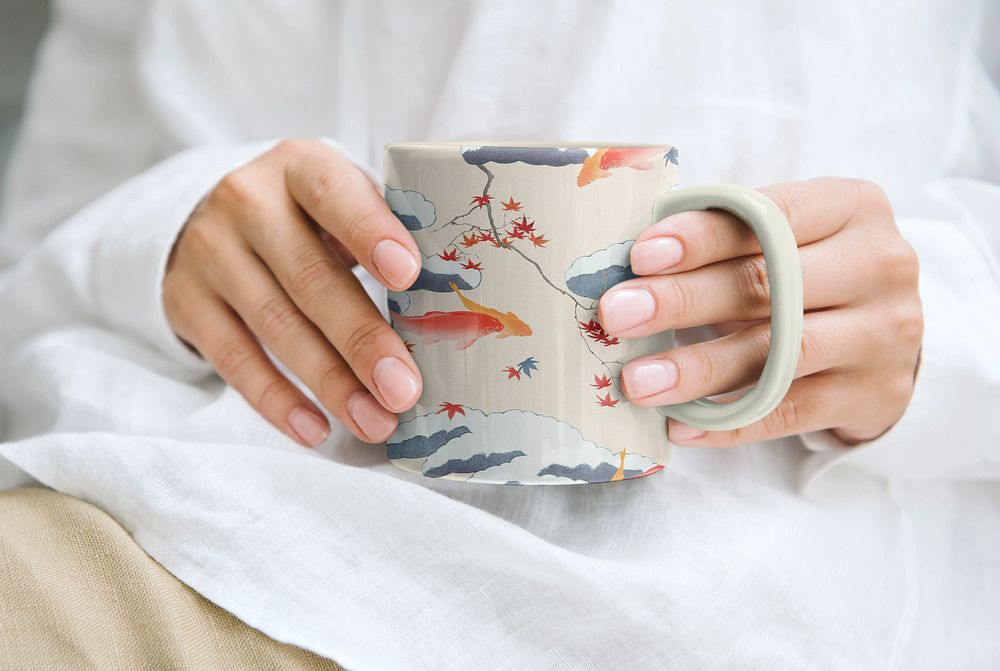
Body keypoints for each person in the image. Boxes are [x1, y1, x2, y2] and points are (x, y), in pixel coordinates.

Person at [0, 1, 997, 669]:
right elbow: (39, 245)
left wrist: (936, 326)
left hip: (767, 597)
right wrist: (166, 235)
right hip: (216, 522)